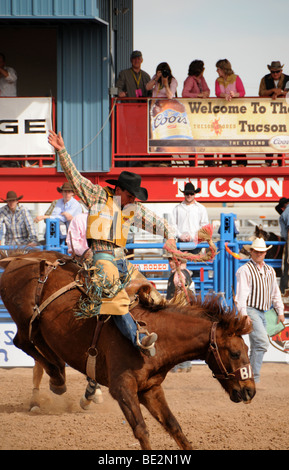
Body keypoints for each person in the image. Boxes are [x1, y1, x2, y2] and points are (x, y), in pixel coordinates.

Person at [48, 130, 176, 357]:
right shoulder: (97, 196)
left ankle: (168, 333)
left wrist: (170, 236)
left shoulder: (131, 208)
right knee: (113, 298)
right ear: (118, 190)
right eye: (131, 195)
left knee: (150, 292)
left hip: (122, 261)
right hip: (103, 258)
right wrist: (62, 151)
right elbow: (75, 178)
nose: (134, 199)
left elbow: (155, 222)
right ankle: (138, 338)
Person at [235, 237, 285, 384]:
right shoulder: (245, 270)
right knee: (262, 343)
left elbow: (275, 292)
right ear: (251, 252)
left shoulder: (270, 271)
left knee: (259, 345)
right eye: (256, 251)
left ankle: (247, 376)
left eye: (261, 252)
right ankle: (253, 378)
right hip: (251, 310)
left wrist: (280, 311)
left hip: (264, 311)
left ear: (265, 253)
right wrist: (243, 314)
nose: (259, 254)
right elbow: (241, 294)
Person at [182, 60, 214, 167]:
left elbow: (207, 90)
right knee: (194, 138)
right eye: (203, 68)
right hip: (193, 114)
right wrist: (198, 95)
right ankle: (193, 163)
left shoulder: (201, 79)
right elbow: (184, 93)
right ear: (199, 69)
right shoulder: (190, 80)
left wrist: (205, 93)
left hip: (202, 114)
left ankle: (210, 162)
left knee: (205, 138)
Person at [215, 59, 246, 166]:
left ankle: (241, 161)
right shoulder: (218, 80)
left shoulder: (236, 78)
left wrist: (234, 95)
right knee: (225, 136)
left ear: (223, 69)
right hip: (224, 112)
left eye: (218, 69)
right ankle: (226, 161)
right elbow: (218, 93)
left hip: (236, 111)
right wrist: (226, 95)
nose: (217, 71)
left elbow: (242, 92)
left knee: (237, 136)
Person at [259, 61, 289, 167]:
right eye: (273, 72)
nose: (275, 74)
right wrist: (273, 90)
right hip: (269, 112)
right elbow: (261, 93)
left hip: (284, 113)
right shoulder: (265, 79)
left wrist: (281, 92)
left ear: (281, 71)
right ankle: (269, 160)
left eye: (277, 71)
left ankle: (281, 161)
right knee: (269, 134)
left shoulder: (287, 79)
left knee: (282, 136)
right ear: (270, 71)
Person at [172, 182, 209, 256]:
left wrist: (194, 236)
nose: (189, 195)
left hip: (196, 242)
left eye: (191, 194)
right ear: (184, 194)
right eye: (187, 193)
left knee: (195, 264)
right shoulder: (177, 208)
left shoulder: (201, 208)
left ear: (194, 194)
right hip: (181, 242)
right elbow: (172, 225)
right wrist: (180, 235)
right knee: (181, 264)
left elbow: (205, 226)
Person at [276, 197, 289, 293]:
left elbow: (284, 235)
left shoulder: (284, 214)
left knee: (286, 266)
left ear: (282, 208)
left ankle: (284, 290)